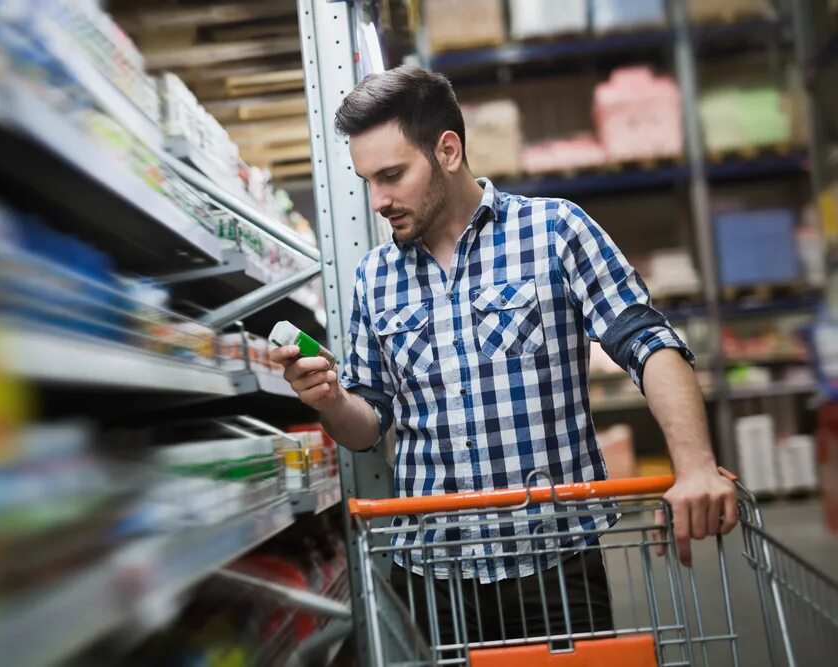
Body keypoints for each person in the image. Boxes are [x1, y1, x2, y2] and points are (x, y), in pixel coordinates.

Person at [268, 65, 737, 644]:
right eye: (367, 180)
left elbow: (648, 341)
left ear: (447, 150)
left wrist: (694, 466)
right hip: (432, 574)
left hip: (552, 561)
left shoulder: (554, 231)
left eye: (392, 175)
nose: (378, 200)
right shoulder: (373, 279)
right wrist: (332, 399)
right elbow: (368, 426)